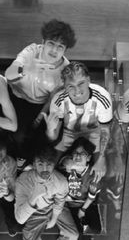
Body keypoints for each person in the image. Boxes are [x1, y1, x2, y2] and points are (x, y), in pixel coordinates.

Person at [5, 19, 77, 158]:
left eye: (60, 47)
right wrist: (26, 68)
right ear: (43, 42)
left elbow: (53, 99)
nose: (54, 50)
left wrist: (39, 117)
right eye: (51, 43)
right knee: (18, 135)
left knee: (51, 137)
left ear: (65, 50)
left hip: (40, 104)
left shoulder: (65, 71)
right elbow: (8, 75)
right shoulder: (31, 51)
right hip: (17, 96)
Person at [14, 144, 87, 240]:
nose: (45, 169)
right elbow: (20, 219)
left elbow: (60, 200)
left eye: (49, 164)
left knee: (73, 234)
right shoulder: (23, 181)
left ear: (54, 165)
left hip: (54, 207)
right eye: (40, 164)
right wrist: (34, 196)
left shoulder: (60, 180)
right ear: (34, 164)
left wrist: (54, 218)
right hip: (35, 211)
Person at [44, 61, 113, 182]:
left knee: (101, 175)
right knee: (50, 170)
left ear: (88, 80)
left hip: (94, 134)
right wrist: (50, 129)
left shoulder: (102, 97)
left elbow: (105, 130)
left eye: (81, 83)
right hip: (68, 133)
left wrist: (101, 159)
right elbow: (52, 138)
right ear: (64, 86)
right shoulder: (59, 100)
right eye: (71, 86)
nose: (77, 91)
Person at [58, 137, 102, 240]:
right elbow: (61, 163)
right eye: (75, 153)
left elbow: (92, 194)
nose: (77, 156)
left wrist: (83, 210)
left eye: (81, 153)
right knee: (77, 232)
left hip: (86, 204)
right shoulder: (68, 166)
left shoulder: (93, 172)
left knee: (96, 229)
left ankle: (81, 224)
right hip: (68, 204)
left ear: (88, 157)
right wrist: (68, 162)